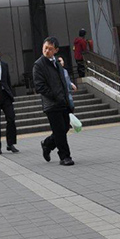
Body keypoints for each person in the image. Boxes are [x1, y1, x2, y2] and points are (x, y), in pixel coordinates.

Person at [34, 37, 75, 166]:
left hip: (63, 102)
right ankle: (65, 157)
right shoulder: (38, 65)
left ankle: (47, 144)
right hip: (51, 104)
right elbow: (40, 86)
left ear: (56, 50)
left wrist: (66, 97)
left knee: (64, 128)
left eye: (50, 49)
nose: (47, 51)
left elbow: (63, 81)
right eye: (45, 48)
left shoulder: (57, 63)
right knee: (59, 131)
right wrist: (55, 96)